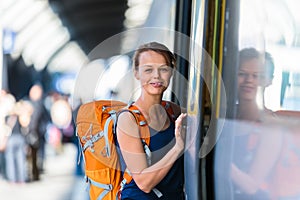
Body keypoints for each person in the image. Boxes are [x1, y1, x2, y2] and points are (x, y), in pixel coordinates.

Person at [116, 42, 187, 199]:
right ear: (136, 73)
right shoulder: (128, 119)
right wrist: (177, 148)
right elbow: (144, 183)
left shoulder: (172, 111)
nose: (157, 76)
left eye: (163, 69)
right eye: (148, 70)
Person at [230, 48, 282, 199]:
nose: (249, 81)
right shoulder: (224, 116)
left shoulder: (271, 127)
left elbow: (251, 186)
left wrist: (214, 158)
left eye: (257, 76)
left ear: (269, 80)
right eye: (242, 74)